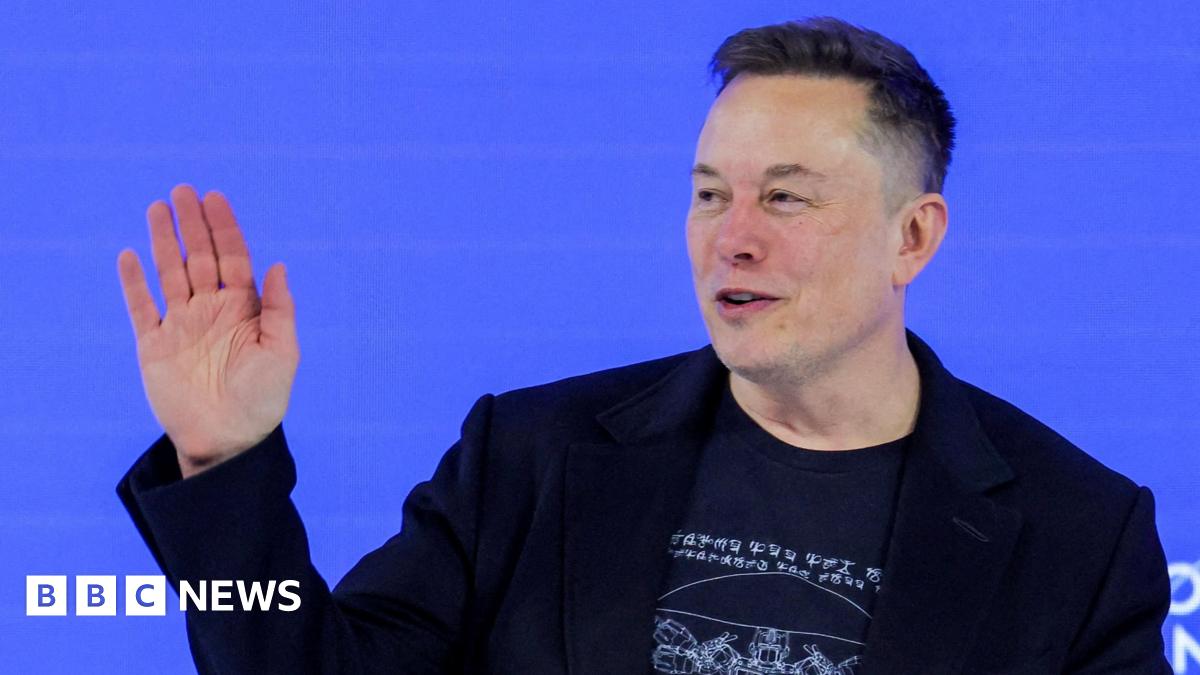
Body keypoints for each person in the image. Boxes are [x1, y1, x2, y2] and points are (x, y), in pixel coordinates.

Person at [115, 17, 1171, 675]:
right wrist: (223, 467)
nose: (732, 236)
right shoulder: (529, 456)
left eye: (785, 197)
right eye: (710, 194)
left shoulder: (1076, 529)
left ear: (913, 236)